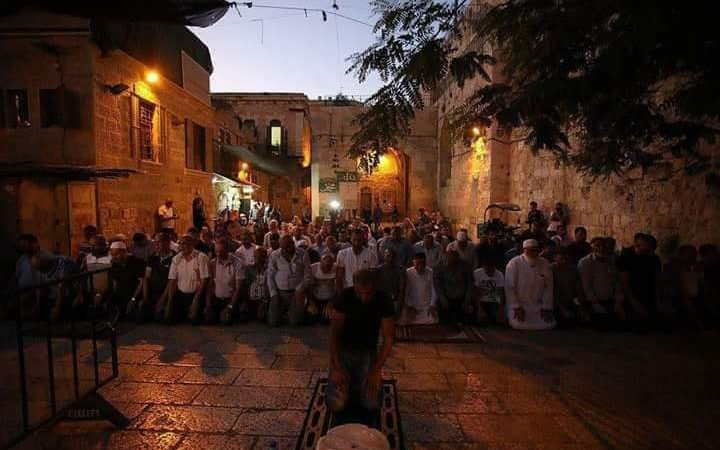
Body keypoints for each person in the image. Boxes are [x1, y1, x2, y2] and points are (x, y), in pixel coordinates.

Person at [327, 269, 395, 419]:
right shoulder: (345, 296)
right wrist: (336, 366)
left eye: (368, 293)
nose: (364, 298)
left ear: (375, 287)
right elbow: (334, 333)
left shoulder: (384, 300)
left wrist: (376, 370)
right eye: (359, 293)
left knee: (371, 404)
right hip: (344, 350)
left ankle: (357, 383)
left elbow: (388, 338)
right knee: (336, 404)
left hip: (367, 352)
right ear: (354, 287)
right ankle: (352, 383)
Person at [504, 239, 556, 330]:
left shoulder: (544, 263)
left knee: (550, 324)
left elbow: (548, 287)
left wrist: (546, 307)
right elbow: (509, 287)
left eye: (536, 250)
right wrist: (516, 307)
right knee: (518, 324)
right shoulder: (514, 263)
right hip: (519, 305)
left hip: (537, 305)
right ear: (524, 250)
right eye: (531, 250)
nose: (534, 253)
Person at [616, 233, 664, 328]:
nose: (650, 253)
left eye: (652, 250)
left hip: (648, 296)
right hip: (631, 296)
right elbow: (624, 284)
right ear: (637, 246)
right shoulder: (625, 258)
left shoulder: (654, 258)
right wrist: (635, 304)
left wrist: (658, 300)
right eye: (647, 250)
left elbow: (657, 280)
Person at [159, 235, 209, 324]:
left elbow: (204, 281)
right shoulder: (176, 259)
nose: (181, 246)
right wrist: (169, 301)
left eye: (184, 244)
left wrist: (195, 300)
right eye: (180, 244)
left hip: (196, 295)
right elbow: (172, 281)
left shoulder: (201, 257)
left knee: (194, 320)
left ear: (192, 244)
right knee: (166, 318)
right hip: (181, 295)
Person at [578, 237, 623, 329]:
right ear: (592, 247)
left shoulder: (610, 261)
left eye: (603, 246)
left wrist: (618, 301)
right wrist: (595, 303)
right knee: (601, 323)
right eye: (597, 246)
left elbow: (616, 282)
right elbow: (586, 286)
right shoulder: (585, 262)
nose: (601, 248)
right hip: (593, 301)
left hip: (609, 299)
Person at [267, 234, 312, 327]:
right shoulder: (274, 255)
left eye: (287, 247)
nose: (285, 250)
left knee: (295, 323)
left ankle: (292, 313)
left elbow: (308, 275)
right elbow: (270, 275)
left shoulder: (303, 254)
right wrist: (273, 293)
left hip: (296, 293)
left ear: (293, 244)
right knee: (273, 322)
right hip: (279, 293)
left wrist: (300, 289)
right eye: (282, 248)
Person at [135, 232, 175, 323]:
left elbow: (172, 280)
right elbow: (147, 277)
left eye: (159, 242)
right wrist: (145, 297)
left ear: (168, 242)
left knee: (160, 318)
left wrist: (163, 299)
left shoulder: (174, 258)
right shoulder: (152, 258)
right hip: (153, 293)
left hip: (167, 293)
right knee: (141, 316)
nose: (156, 245)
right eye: (155, 242)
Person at [205, 239, 245, 325]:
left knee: (225, 321)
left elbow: (238, 289)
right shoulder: (213, 264)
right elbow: (210, 285)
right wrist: (208, 304)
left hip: (230, 300)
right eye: (217, 251)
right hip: (217, 300)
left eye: (221, 251)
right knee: (208, 320)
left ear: (227, 250)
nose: (218, 254)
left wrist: (230, 306)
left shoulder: (237, 263)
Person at [434, 249, 473, 327]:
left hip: (462, 298)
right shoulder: (439, 265)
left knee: (468, 320)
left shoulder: (465, 265)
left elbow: (470, 283)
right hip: (446, 298)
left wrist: (467, 299)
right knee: (444, 322)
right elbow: (437, 285)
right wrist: (443, 299)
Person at [109, 241, 146, 321]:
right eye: (112, 255)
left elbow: (142, 282)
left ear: (124, 252)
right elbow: (115, 283)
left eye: (116, 254)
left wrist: (133, 299)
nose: (114, 257)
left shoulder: (136, 262)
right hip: (121, 296)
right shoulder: (115, 264)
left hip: (135, 296)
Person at [401, 252, 438, 325]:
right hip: (413, 305)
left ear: (425, 263)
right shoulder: (408, 272)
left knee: (433, 319)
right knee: (404, 319)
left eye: (422, 263)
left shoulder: (430, 272)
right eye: (418, 264)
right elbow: (405, 292)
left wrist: (432, 305)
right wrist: (410, 306)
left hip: (426, 306)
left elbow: (434, 290)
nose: (420, 266)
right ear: (413, 263)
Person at [551, 247, 583, 327]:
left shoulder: (573, 270)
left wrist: (581, 307)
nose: (564, 261)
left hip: (570, 302)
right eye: (561, 259)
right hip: (556, 304)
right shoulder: (550, 269)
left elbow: (577, 290)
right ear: (555, 258)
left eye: (566, 259)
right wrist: (563, 309)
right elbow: (552, 292)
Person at [473, 257, 506, 325]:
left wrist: (501, 309)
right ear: (483, 267)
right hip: (481, 301)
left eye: (491, 269)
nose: (489, 272)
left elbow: (501, 292)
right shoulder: (477, 273)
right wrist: (479, 308)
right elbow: (475, 292)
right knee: (479, 320)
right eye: (487, 269)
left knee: (501, 321)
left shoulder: (499, 274)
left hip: (494, 301)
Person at [242, 247, 270, 321]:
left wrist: (265, 301)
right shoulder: (249, 268)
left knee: (263, 317)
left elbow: (269, 287)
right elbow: (246, 286)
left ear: (265, 257)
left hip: (264, 298)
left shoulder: (269, 268)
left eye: (260, 257)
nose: (257, 259)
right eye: (255, 257)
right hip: (252, 298)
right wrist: (245, 300)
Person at [375, 248, 406, 315]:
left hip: (395, 299)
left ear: (395, 257)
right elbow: (376, 288)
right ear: (384, 256)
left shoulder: (401, 269)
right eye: (388, 256)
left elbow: (402, 289)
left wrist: (400, 303)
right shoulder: (378, 270)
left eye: (392, 256)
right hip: (382, 299)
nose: (390, 258)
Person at [308, 253, 338, 322]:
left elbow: (338, 288)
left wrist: (331, 303)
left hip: (330, 299)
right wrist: (311, 303)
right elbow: (308, 288)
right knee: (311, 316)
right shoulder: (312, 268)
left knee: (328, 318)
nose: (326, 269)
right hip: (315, 298)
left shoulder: (336, 268)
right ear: (320, 262)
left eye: (329, 266)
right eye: (323, 266)